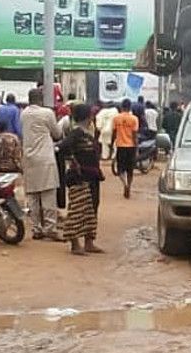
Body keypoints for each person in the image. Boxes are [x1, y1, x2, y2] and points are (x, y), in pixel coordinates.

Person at [58, 103, 105, 256]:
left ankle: (89, 241)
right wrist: (72, 160)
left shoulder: (88, 132)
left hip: (92, 176)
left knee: (92, 208)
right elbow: (63, 147)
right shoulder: (77, 132)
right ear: (88, 116)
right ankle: (75, 244)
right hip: (80, 177)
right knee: (78, 209)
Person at [21, 87, 63, 240]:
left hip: (29, 157)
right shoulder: (47, 113)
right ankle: (50, 228)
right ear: (41, 99)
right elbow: (57, 133)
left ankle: (36, 228)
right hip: (45, 157)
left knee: (32, 195)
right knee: (48, 194)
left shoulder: (24, 114)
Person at [112, 97, 140, 198]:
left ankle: (125, 184)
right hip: (131, 146)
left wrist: (112, 144)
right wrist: (136, 148)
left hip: (120, 146)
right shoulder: (134, 119)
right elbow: (135, 135)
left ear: (121, 107)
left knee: (120, 170)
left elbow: (114, 133)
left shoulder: (116, 118)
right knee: (130, 170)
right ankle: (129, 185)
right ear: (130, 107)